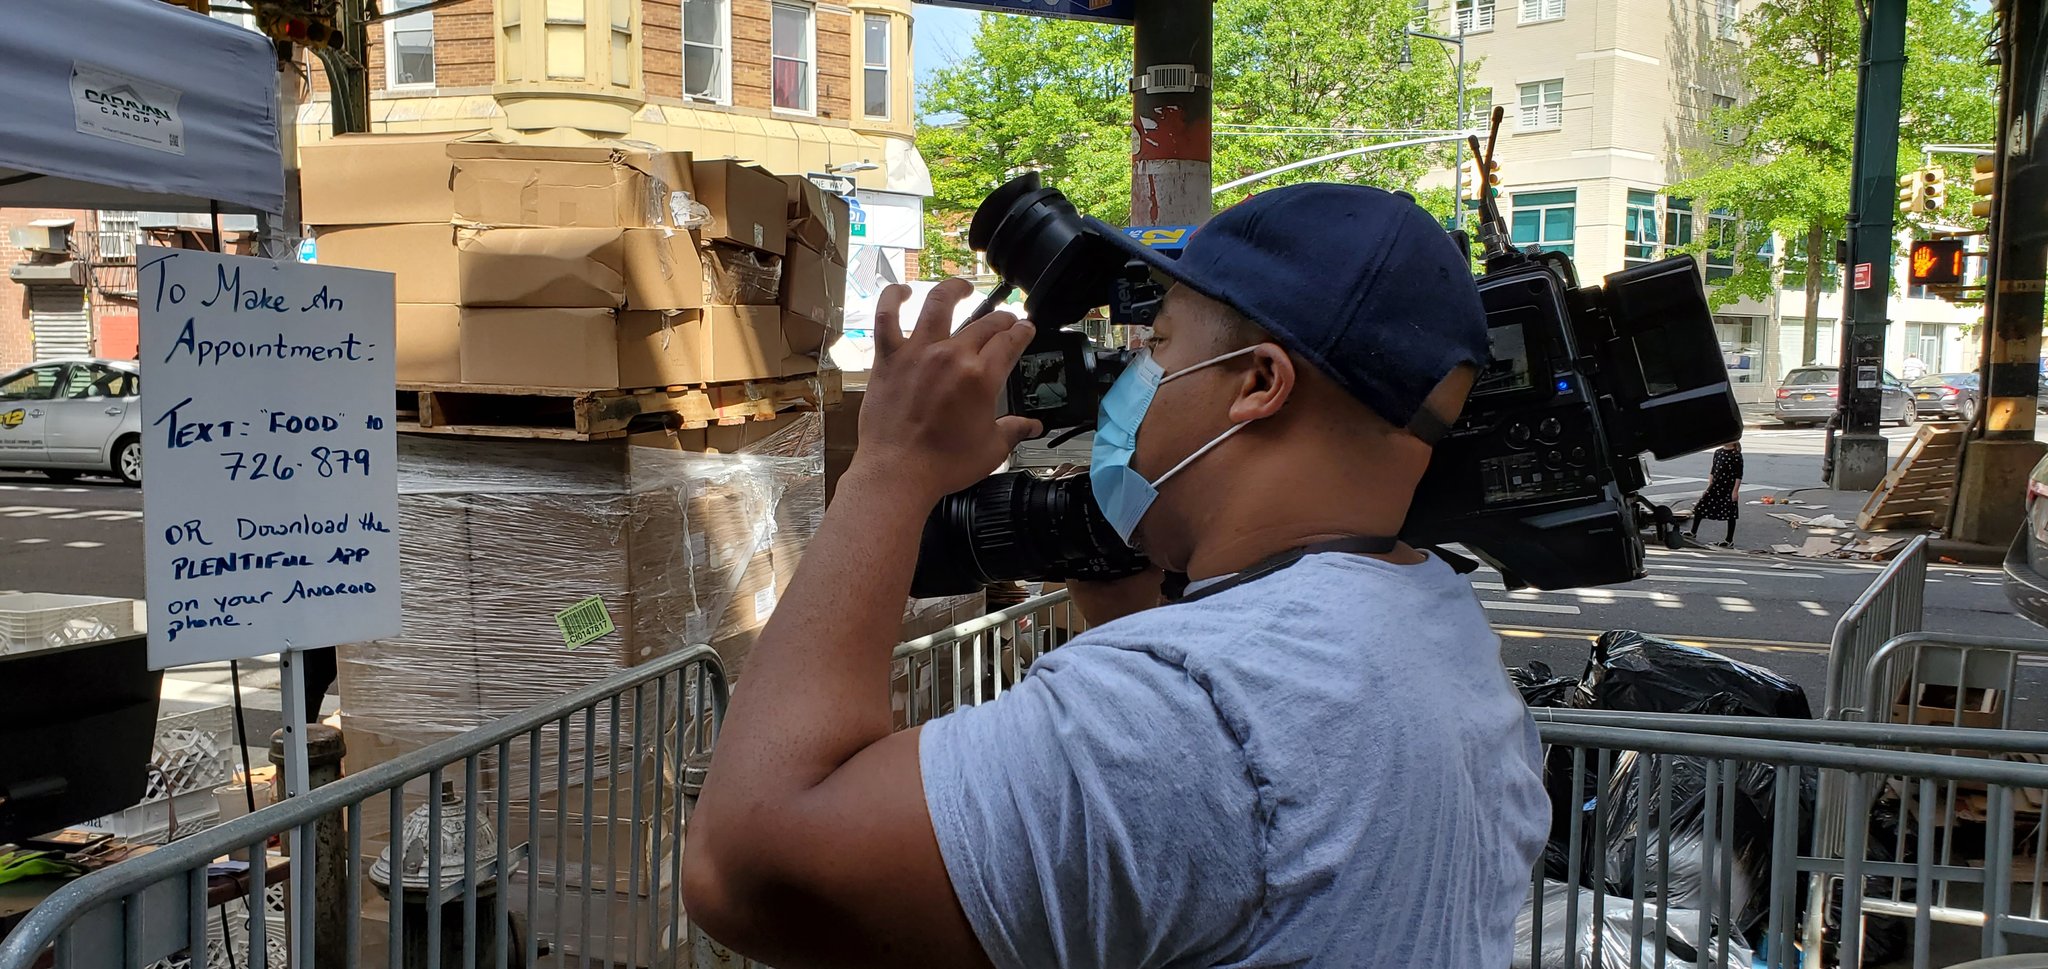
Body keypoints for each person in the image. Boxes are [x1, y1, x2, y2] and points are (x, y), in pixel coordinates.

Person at [681, 184, 1551, 968]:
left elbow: (748, 865)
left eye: (1158, 344)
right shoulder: (1442, 626)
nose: (1130, 379)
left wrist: (890, 469)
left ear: (1257, 384)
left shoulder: (1195, 707)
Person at [1689, 440, 1744, 547]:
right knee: (1700, 507)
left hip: (1728, 487)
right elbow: (1713, 470)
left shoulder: (1736, 455)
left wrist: (1735, 491)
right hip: (1715, 486)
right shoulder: (1718, 452)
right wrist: (1709, 485)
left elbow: (1738, 475)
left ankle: (1729, 540)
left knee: (1730, 513)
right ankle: (1693, 532)